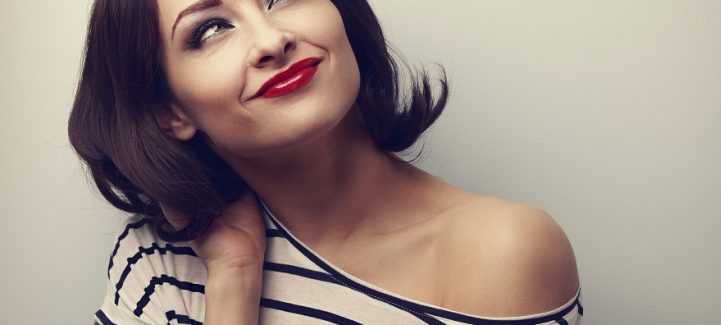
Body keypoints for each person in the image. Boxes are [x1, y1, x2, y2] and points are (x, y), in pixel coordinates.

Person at [70, 0, 582, 324]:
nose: (272, 40)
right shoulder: (157, 261)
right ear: (170, 112)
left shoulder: (504, 250)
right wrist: (233, 279)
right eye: (210, 30)